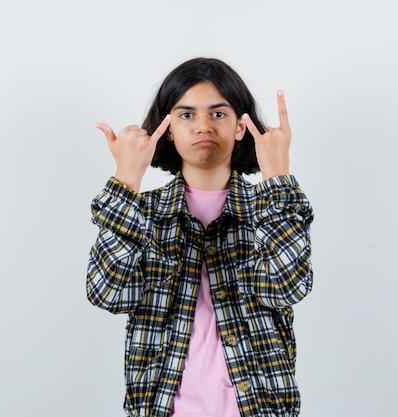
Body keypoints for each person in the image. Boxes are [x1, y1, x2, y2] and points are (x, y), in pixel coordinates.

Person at [86, 57, 314, 417]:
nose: (203, 126)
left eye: (218, 114)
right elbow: (109, 294)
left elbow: (286, 287)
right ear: (168, 128)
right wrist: (127, 179)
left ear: (242, 126)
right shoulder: (143, 213)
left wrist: (278, 178)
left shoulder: (268, 207)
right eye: (187, 115)